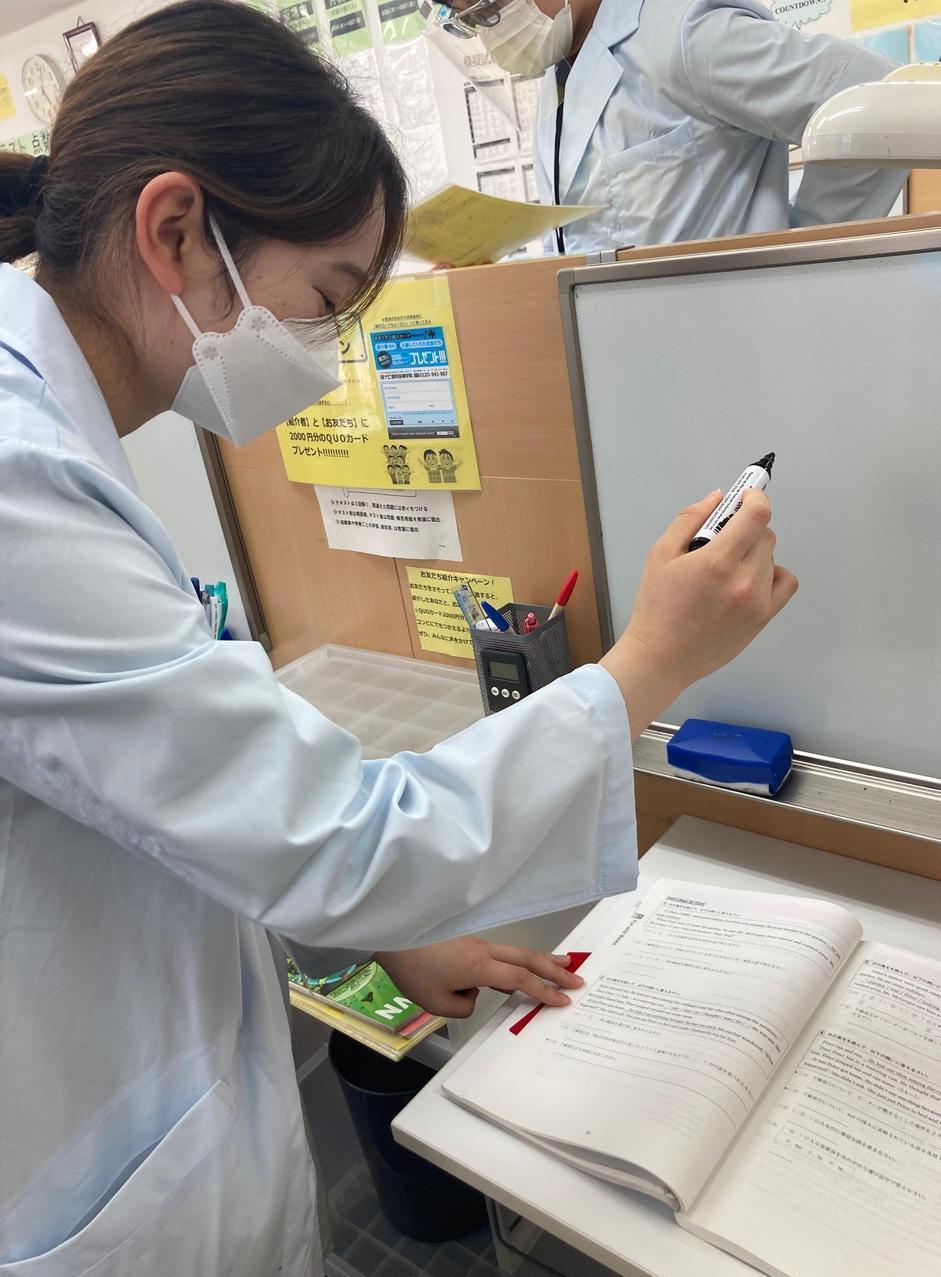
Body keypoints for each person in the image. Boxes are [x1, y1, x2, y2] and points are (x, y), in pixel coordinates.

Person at [0, 2, 797, 1274]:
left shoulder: (51, 429)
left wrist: (381, 928)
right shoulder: (17, 478)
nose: (322, 357)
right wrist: (651, 659)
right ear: (174, 231)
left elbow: (166, 798)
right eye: (323, 301)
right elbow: (336, 835)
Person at [432, 0, 907, 254]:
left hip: (737, 340)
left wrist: (807, 246)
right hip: (636, 356)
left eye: (490, 9)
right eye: (471, 21)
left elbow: (880, 100)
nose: (491, 31)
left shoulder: (682, 34)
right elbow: (588, 237)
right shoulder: (559, 76)